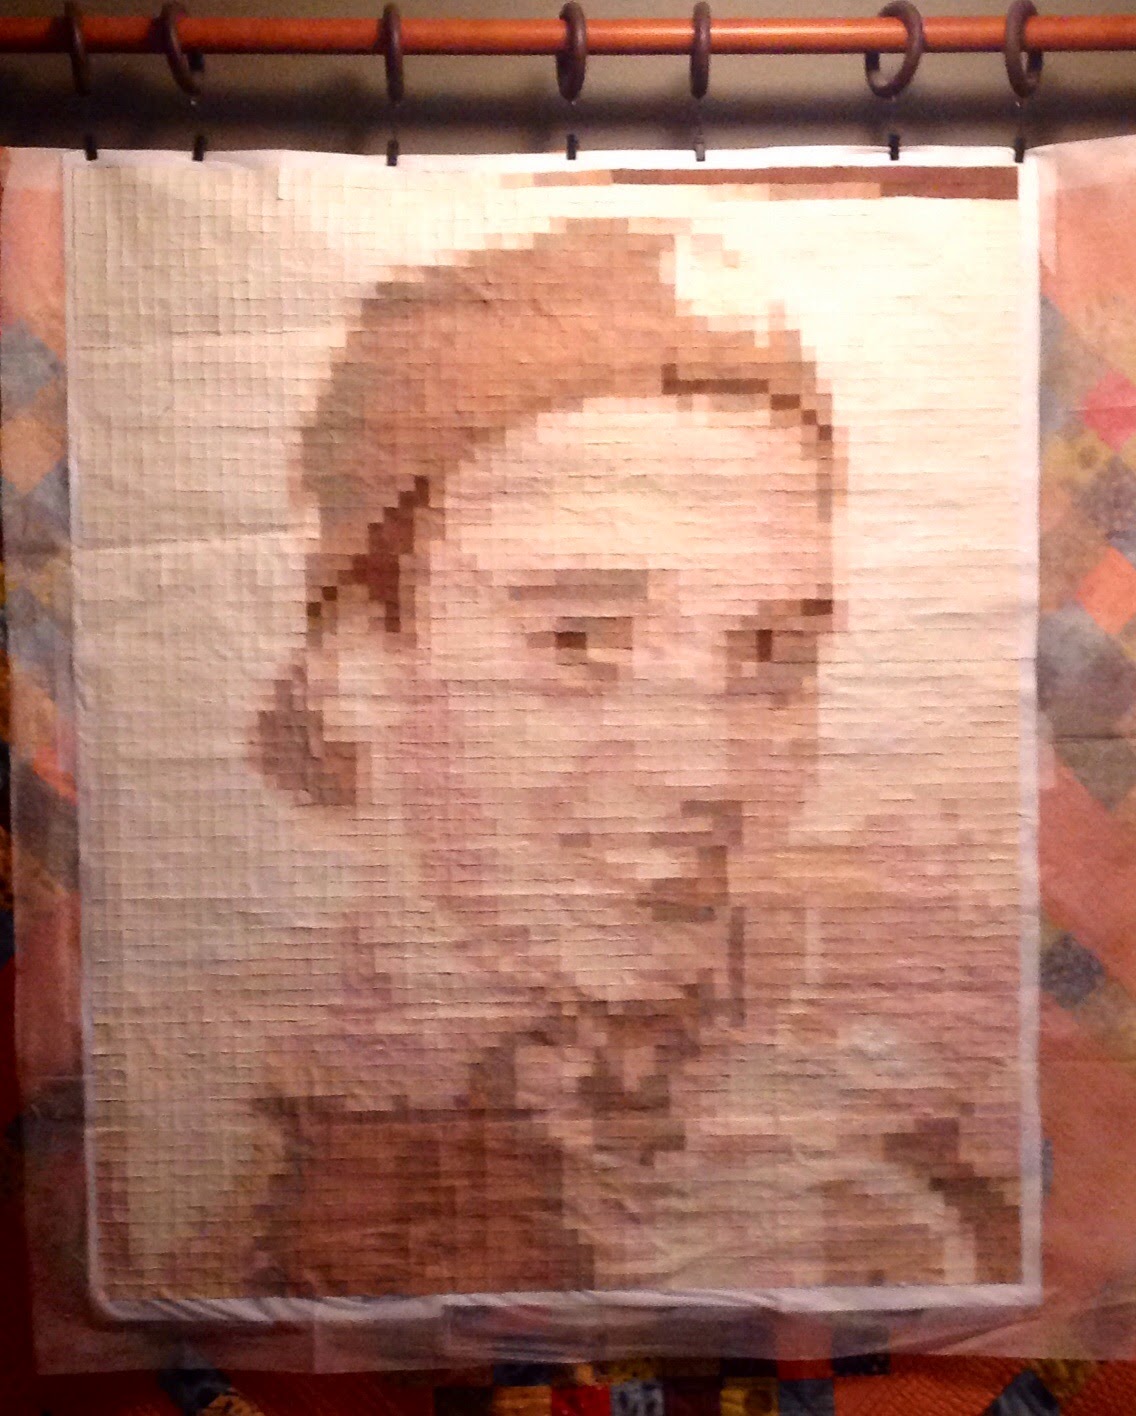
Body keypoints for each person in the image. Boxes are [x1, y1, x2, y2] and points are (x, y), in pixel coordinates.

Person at [250, 218, 1019, 1297]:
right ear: (356, 664)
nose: (705, 769)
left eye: (771, 654)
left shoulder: (884, 1141)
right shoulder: (206, 1140)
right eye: (579, 642)